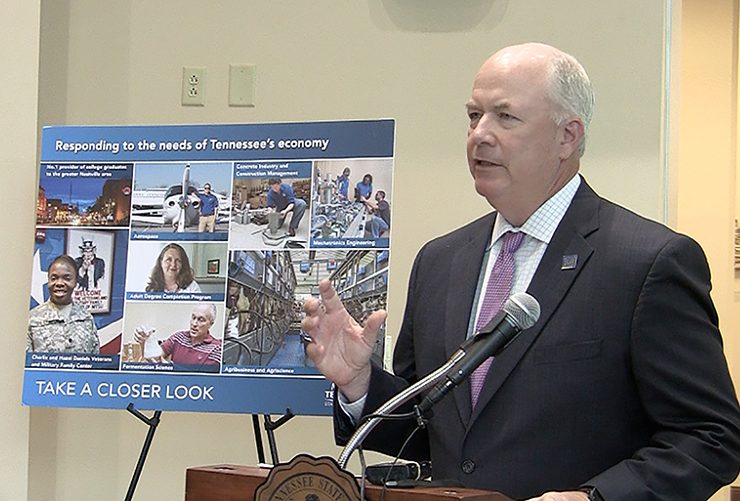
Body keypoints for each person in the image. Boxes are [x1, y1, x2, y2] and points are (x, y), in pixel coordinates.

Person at [302, 43, 740, 501]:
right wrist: (359, 383)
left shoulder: (646, 262)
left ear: (567, 136)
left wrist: (593, 498)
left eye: (505, 117)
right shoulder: (439, 261)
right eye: (474, 116)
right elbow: (428, 430)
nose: (480, 135)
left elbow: (710, 438)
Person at [27, 255, 100, 353]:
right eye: (54, 278)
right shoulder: (32, 319)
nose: (59, 283)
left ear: (75, 282)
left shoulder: (86, 319)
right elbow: (25, 360)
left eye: (67, 278)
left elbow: (94, 358)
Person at [134, 303, 221, 367]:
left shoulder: (216, 349)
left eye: (201, 320)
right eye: (193, 317)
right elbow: (155, 357)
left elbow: (204, 379)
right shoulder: (179, 337)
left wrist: (171, 368)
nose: (194, 323)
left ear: (211, 324)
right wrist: (146, 341)